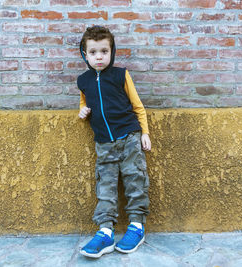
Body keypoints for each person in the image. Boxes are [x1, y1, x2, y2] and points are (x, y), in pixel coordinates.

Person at [77, 25, 151, 258]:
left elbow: (137, 105)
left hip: (129, 137)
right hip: (104, 144)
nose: (99, 57)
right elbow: (84, 102)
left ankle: (137, 227)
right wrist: (82, 110)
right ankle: (105, 232)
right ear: (84, 55)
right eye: (93, 52)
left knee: (134, 180)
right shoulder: (83, 80)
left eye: (104, 51)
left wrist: (145, 133)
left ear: (112, 52)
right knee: (106, 186)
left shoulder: (121, 75)